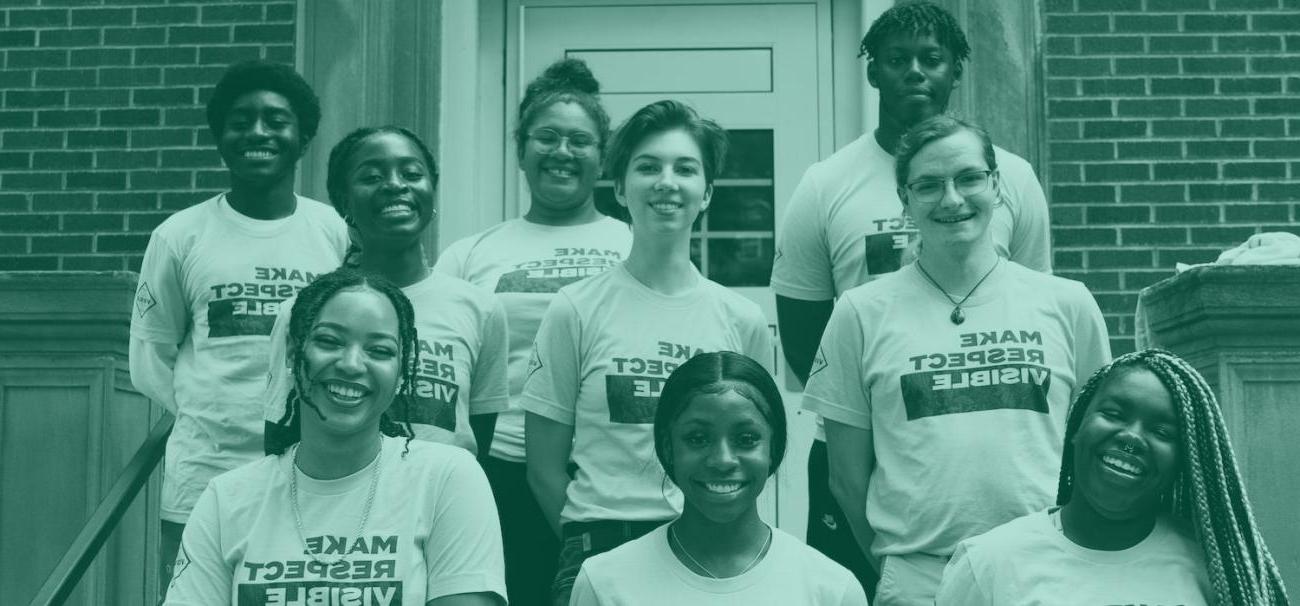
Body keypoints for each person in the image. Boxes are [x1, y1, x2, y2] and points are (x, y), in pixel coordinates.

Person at [769, 2, 1053, 593]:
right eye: (897, 60)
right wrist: (884, 418)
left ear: (956, 71)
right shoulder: (826, 184)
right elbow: (802, 335)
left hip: (979, 438)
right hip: (859, 441)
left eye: (932, 59)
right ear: (872, 72)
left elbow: (1031, 308)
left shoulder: (1014, 180)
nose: (915, 72)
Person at [802, 115, 1110, 606]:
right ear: (905, 200)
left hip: (1046, 572)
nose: (951, 199)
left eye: (968, 178)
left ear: (997, 186)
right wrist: (890, 568)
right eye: (929, 185)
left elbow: (1094, 449)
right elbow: (845, 475)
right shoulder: (859, 313)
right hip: (921, 579)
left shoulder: (1067, 304)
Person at [522, 100, 773, 605]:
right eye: (648, 166)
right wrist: (593, 551)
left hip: (713, 546)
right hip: (600, 543)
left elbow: (762, 455)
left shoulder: (741, 319)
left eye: (685, 168)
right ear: (619, 188)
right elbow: (544, 466)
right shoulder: (574, 309)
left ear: (706, 193)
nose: (667, 181)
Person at [128, 59, 349, 592]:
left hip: (311, 467)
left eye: (276, 120)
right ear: (220, 138)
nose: (257, 132)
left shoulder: (333, 230)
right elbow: (151, 356)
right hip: (206, 468)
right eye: (240, 120)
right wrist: (213, 412)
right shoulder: (179, 236)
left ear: (302, 138)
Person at [165, 269, 506, 605]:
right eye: (329, 341)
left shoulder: (448, 479)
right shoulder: (226, 499)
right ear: (292, 353)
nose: (352, 364)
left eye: (380, 350)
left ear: (401, 374)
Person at [434, 58, 632, 606]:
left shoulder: (634, 247)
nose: (562, 152)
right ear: (521, 150)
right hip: (497, 468)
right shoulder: (470, 253)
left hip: (610, 470)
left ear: (603, 155)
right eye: (546, 137)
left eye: (579, 140)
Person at [935, 349, 1291, 605]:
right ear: (1076, 426)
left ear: (1185, 463)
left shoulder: (1215, 569)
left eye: (1163, 432)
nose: (1132, 437)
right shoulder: (988, 564)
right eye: (1114, 413)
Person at [569, 352, 869, 605]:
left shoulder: (831, 590)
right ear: (668, 446)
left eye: (746, 438)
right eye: (698, 438)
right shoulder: (604, 583)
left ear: (773, 446)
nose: (723, 460)